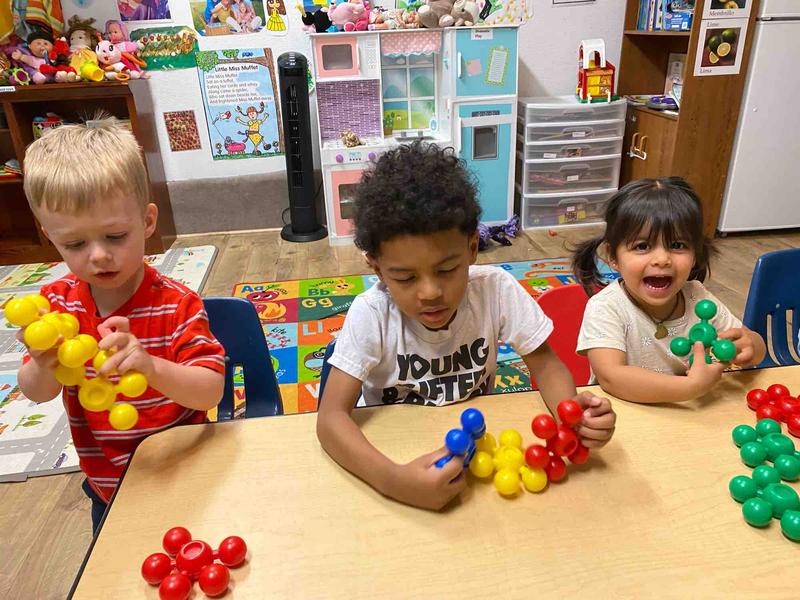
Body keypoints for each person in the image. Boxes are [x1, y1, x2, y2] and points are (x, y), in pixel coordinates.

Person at [316, 142, 617, 511]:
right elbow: (330, 419)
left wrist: (572, 421)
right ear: (377, 268)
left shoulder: (495, 290)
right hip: (394, 448)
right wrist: (393, 481)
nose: (430, 292)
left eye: (447, 270)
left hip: (476, 455)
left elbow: (547, 366)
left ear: (473, 247)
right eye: (405, 278)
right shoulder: (373, 314)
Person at [17, 119, 225, 532]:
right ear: (50, 237)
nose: (98, 255)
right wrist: (42, 363)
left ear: (147, 221)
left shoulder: (176, 304)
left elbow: (210, 390)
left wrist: (152, 367)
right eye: (75, 244)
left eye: (115, 236)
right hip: (107, 486)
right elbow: (37, 393)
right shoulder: (56, 306)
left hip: (186, 472)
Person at [573, 177, 766, 404]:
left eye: (677, 245)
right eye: (642, 246)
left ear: (695, 255)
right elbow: (611, 377)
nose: (662, 259)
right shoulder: (606, 307)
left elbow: (753, 344)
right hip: (621, 414)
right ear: (612, 257)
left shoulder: (697, 297)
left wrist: (751, 346)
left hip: (686, 413)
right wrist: (691, 387)